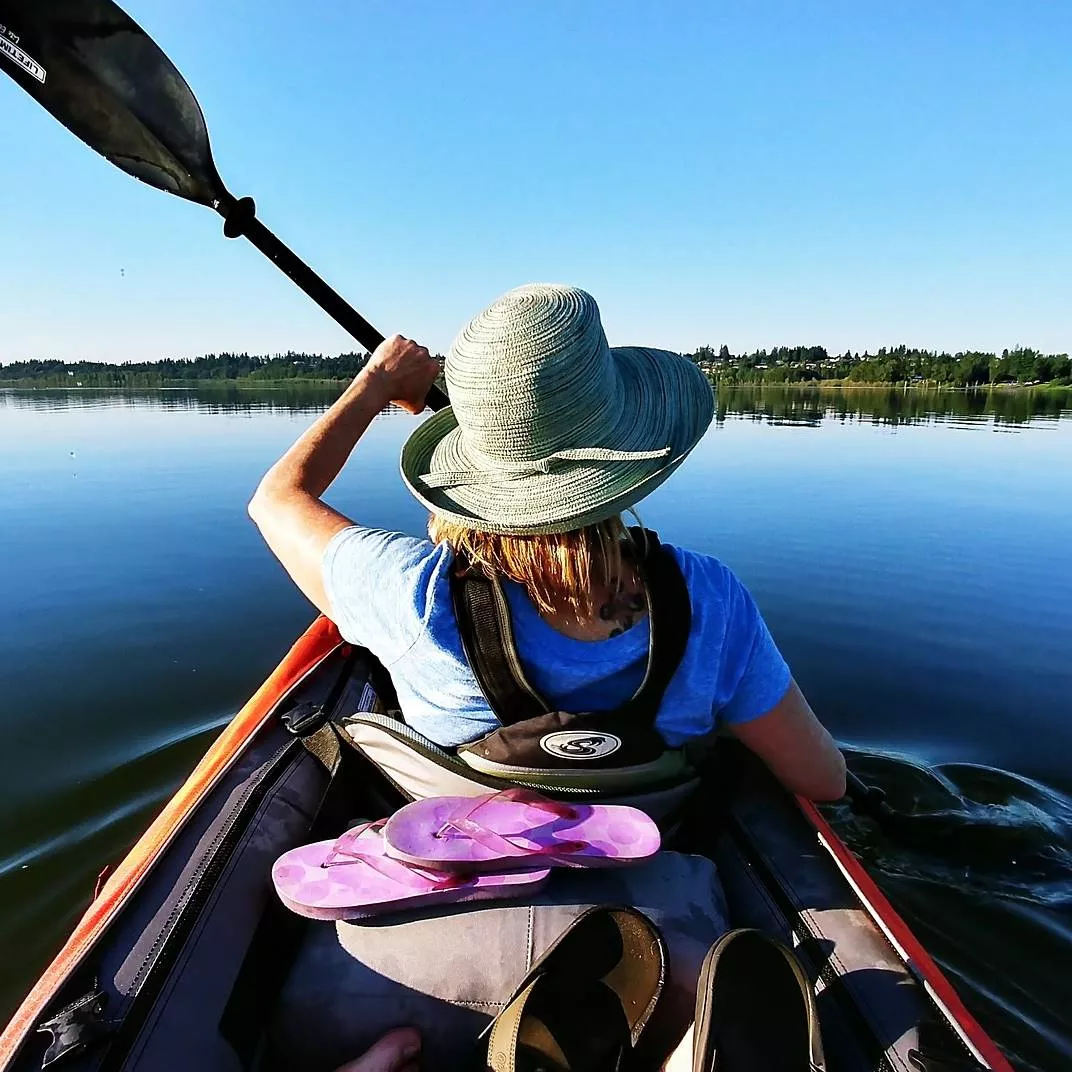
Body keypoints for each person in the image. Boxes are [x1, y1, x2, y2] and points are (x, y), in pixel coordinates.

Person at [248, 282, 845, 802]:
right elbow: (824, 781)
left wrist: (375, 383)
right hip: (657, 870)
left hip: (470, 874)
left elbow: (275, 500)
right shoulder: (711, 600)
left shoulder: (408, 593)